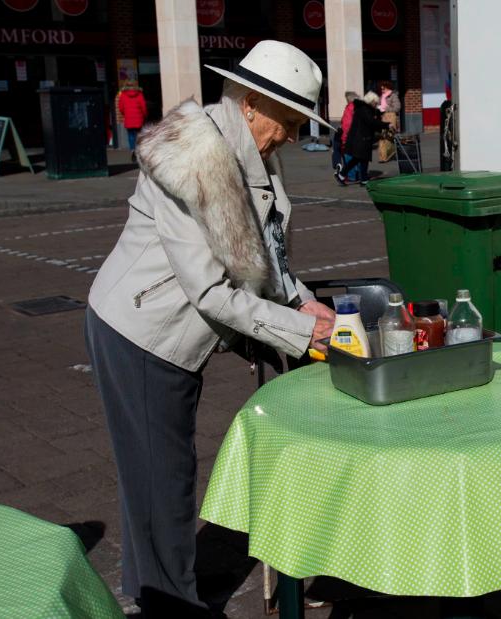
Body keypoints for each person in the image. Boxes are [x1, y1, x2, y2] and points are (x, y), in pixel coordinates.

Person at [84, 40, 336, 615]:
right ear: (251, 103)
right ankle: (171, 604)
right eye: (291, 120)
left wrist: (302, 301)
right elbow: (211, 291)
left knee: (154, 476)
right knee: (162, 481)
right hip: (140, 334)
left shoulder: (252, 150)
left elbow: (266, 252)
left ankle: (153, 587)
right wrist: (301, 333)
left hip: (167, 331)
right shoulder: (193, 156)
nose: (295, 136)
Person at [343, 91, 391, 184]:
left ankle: (343, 174)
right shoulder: (364, 110)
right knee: (362, 158)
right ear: (371, 101)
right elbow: (371, 122)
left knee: (359, 158)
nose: (376, 104)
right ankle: (362, 178)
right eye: (375, 102)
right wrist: (387, 125)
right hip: (361, 138)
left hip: (361, 137)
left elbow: (372, 122)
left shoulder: (364, 109)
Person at [115, 81, 148, 154]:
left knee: (130, 135)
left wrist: (125, 114)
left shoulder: (123, 95)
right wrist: (145, 115)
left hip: (128, 119)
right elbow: (143, 107)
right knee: (139, 135)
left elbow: (121, 108)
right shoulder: (139, 94)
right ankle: (139, 149)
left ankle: (132, 149)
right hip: (138, 120)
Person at [334, 91, 359, 185]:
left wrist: (344, 138)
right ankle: (360, 175)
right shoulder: (358, 107)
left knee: (349, 156)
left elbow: (347, 125)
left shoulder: (350, 108)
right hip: (358, 136)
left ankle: (352, 176)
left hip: (350, 137)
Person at [377, 80, 401, 162]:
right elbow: (379, 106)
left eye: (383, 88)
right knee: (383, 137)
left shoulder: (393, 96)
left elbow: (397, 107)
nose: (382, 90)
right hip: (383, 119)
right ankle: (383, 157)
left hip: (391, 118)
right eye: (381, 89)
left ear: (388, 88)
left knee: (390, 137)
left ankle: (391, 154)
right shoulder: (381, 97)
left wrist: (385, 109)